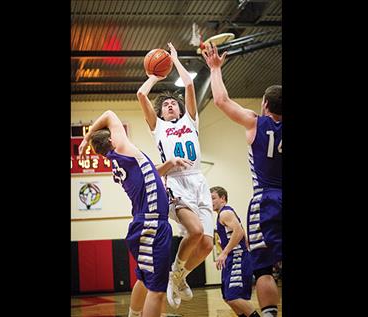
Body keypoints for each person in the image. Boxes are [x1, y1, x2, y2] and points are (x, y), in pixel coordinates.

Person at [78, 110, 192, 317]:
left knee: (143, 278)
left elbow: (151, 173)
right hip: (152, 225)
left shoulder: (122, 161)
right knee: (157, 290)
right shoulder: (123, 149)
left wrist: (170, 163)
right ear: (113, 140)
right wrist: (87, 137)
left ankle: (133, 314)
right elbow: (110, 115)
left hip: (145, 223)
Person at [203, 43, 282, 317]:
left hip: (266, 199)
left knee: (263, 268)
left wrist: (215, 69)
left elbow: (221, 101)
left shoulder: (255, 122)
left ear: (265, 104)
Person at [136, 42, 214, 308]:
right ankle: (174, 273)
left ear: (181, 110)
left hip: (198, 181)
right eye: (166, 104)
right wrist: (154, 77)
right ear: (161, 112)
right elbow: (141, 95)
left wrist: (176, 60)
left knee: (206, 244)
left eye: (173, 103)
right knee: (195, 230)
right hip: (175, 183)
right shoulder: (157, 128)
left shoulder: (190, 120)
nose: (169, 105)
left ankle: (180, 276)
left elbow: (190, 86)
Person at [211, 186, 261, 317]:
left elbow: (238, 231)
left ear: (223, 198)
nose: (210, 201)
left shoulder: (225, 213)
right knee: (228, 297)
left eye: (213, 198)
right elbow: (242, 232)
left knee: (234, 296)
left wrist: (224, 252)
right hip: (233, 258)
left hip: (237, 257)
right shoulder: (223, 214)